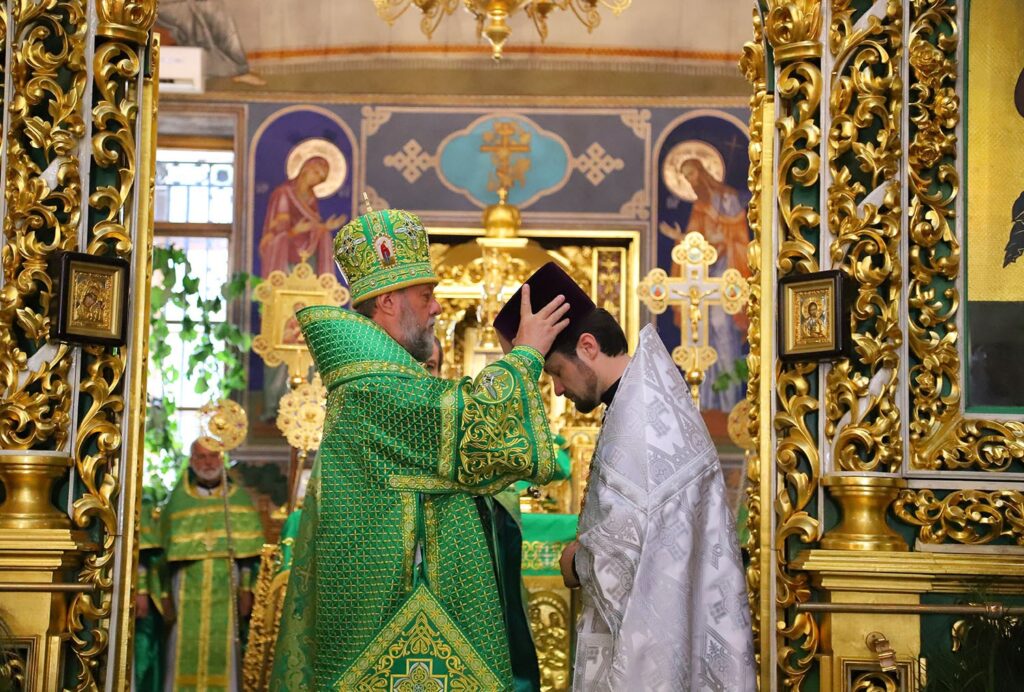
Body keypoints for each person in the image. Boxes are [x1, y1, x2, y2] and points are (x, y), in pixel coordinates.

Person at [270, 207, 571, 691]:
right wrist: (527, 353)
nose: (437, 309)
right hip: (394, 615)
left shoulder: (385, 378)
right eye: (426, 296)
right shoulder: (371, 385)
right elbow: (471, 428)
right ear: (389, 301)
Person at [495, 262, 755, 691]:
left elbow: (624, 556)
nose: (557, 388)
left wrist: (576, 562)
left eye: (556, 371)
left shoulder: (641, 423)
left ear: (588, 346)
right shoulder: (645, 398)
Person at [161, 440, 265, 692]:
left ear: (222, 459)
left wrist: (247, 589)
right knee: (184, 641)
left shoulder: (237, 498)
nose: (208, 462)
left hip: (227, 581)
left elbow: (250, 555)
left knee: (225, 642)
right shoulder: (178, 500)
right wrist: (164, 594)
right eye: (201, 457)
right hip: (186, 582)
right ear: (192, 461)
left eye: (213, 456)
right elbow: (162, 555)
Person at [258, 156, 346, 279]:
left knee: (325, 235)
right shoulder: (283, 193)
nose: (316, 179)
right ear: (306, 168)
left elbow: (312, 225)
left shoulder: (311, 197)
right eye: (316, 172)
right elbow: (277, 230)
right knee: (282, 240)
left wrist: (325, 227)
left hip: (308, 245)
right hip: (287, 244)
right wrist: (295, 230)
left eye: (321, 178)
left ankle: (323, 281)